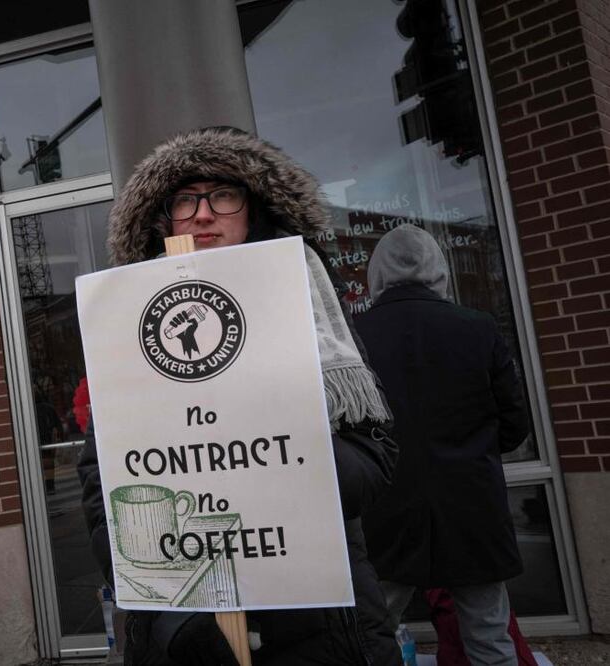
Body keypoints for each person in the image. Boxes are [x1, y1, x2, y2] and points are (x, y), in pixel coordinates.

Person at [78, 126, 401, 665]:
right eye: (185, 199)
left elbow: (376, 455)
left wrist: (280, 464)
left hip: (318, 622)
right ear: (165, 220)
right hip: (184, 624)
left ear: (254, 210)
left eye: (223, 195)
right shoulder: (129, 328)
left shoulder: (308, 313)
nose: (203, 214)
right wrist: (167, 606)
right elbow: (101, 479)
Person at [356, 224, 529, 666]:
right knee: (490, 638)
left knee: (372, 637)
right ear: (439, 269)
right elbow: (514, 426)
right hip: (473, 506)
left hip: (386, 511)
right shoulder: (478, 328)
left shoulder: (355, 337)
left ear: (376, 274)